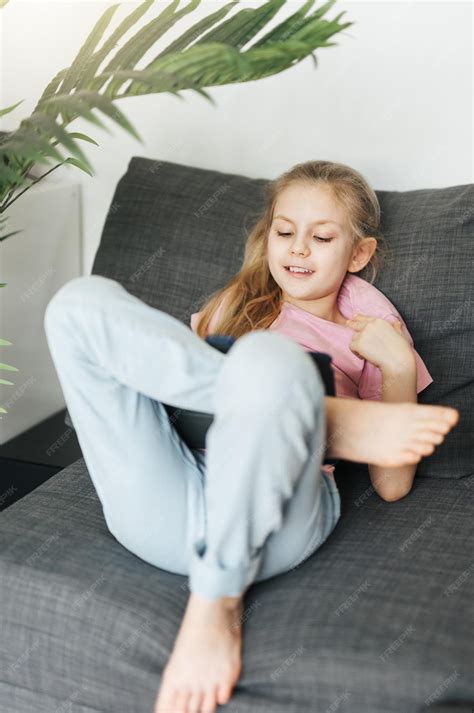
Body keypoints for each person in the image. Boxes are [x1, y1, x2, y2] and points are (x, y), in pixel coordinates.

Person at [43, 159, 460, 713]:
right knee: (77, 303)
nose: (298, 249)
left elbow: (391, 487)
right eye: (285, 232)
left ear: (358, 254)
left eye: (322, 236)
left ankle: (215, 601)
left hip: (273, 520)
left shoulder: (368, 338)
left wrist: (399, 369)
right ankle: (326, 419)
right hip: (169, 493)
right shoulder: (226, 308)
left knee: (271, 358)